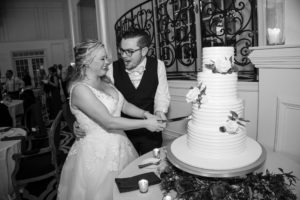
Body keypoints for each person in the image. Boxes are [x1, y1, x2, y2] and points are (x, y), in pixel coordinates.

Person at [57, 40, 165, 200]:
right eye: (102, 58)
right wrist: (146, 124)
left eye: (106, 57)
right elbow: (108, 121)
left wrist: (146, 114)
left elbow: (125, 105)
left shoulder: (105, 81)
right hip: (97, 156)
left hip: (121, 145)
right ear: (86, 62)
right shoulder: (80, 90)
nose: (107, 62)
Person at [75, 29, 170, 155]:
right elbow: (93, 99)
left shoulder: (158, 65)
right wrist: (80, 120)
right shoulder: (109, 69)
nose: (124, 55)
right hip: (123, 132)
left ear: (144, 51)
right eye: (122, 50)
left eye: (129, 51)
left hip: (151, 132)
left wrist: (158, 113)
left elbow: (160, 96)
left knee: (151, 168)